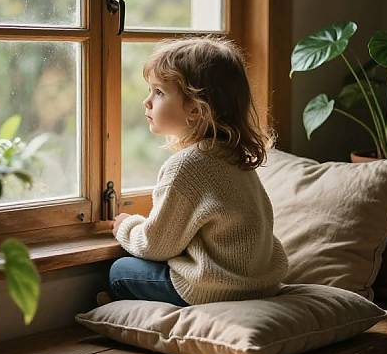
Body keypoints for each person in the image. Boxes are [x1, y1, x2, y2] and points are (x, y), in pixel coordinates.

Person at [96, 36, 288, 307]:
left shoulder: (187, 165)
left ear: (196, 109)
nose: (146, 102)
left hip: (216, 288)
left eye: (159, 92)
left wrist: (125, 226)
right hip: (261, 284)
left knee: (120, 272)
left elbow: (156, 246)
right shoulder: (233, 154)